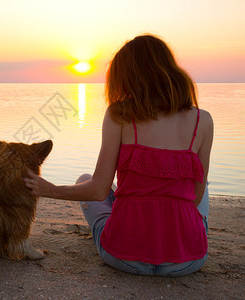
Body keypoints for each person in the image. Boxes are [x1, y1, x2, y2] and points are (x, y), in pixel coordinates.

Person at [24, 34, 214, 276]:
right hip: (186, 261)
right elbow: (195, 198)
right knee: (202, 184)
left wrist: (49, 189)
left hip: (125, 256)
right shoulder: (203, 120)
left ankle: (128, 217)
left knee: (86, 180)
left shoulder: (119, 115)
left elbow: (97, 190)